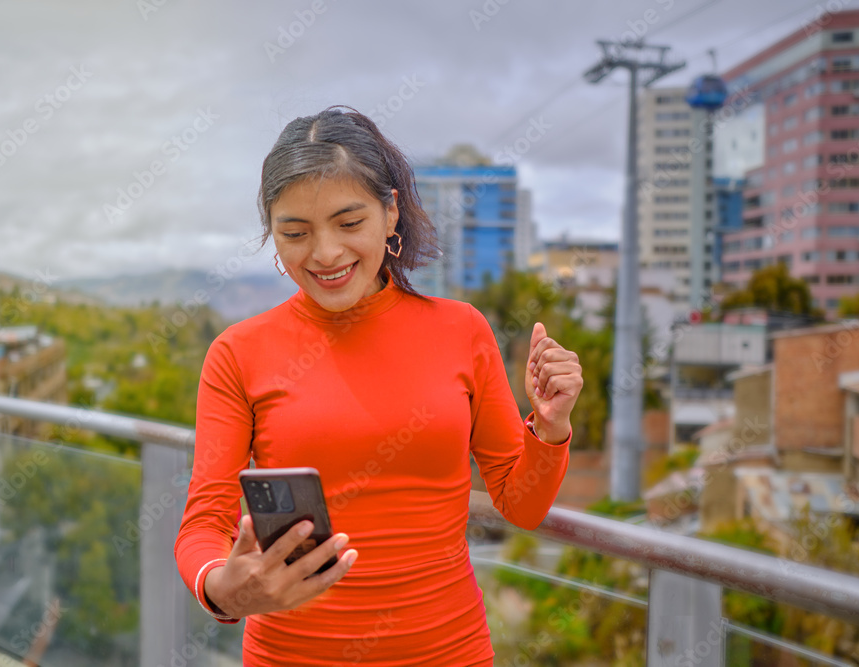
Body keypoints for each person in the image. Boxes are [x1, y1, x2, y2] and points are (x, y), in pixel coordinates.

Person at [174, 105, 584, 666]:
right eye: (295, 232)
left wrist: (552, 425)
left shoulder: (461, 330)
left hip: (450, 651)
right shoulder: (237, 353)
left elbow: (520, 505)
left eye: (349, 223)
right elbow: (205, 520)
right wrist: (220, 587)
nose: (325, 254)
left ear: (391, 213)